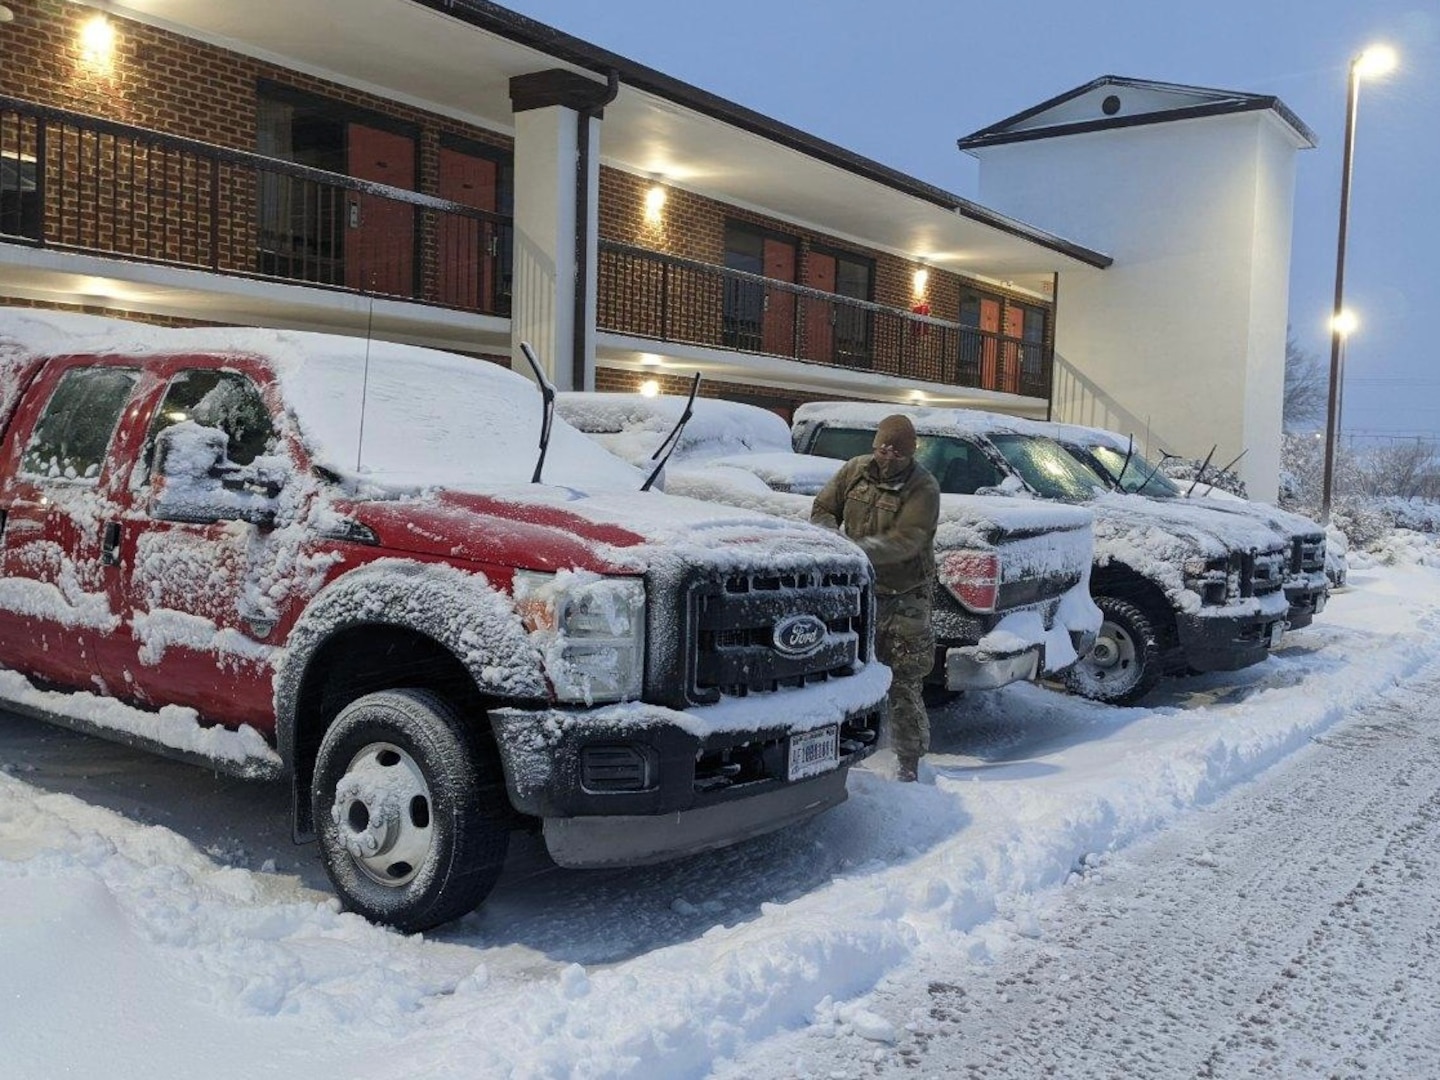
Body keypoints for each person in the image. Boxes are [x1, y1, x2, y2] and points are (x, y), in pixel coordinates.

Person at [810, 414, 939, 782]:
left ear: (910, 453)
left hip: (906, 596)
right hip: (860, 592)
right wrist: (829, 538)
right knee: (848, 674)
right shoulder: (854, 471)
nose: (888, 457)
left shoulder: (923, 487)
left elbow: (907, 540)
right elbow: (823, 509)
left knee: (903, 679)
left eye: (898, 453)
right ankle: (850, 752)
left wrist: (854, 551)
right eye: (883, 448)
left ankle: (908, 763)